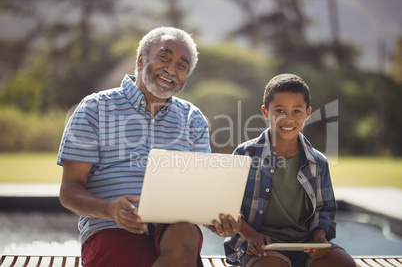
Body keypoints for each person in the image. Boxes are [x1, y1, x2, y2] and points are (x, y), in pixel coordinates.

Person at [57, 27, 212, 267]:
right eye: (164, 57)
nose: (172, 69)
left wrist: (217, 220)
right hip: (110, 228)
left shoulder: (193, 117)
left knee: (186, 234)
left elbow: (201, 194)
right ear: (141, 60)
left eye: (182, 65)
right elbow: (69, 190)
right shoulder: (95, 108)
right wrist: (109, 209)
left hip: (173, 229)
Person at [206, 74, 357, 267]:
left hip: (306, 243)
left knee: (345, 264)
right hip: (259, 246)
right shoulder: (245, 154)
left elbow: (324, 209)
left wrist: (320, 236)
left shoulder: (318, 161)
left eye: (296, 111)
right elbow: (227, 206)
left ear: (307, 113)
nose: (288, 119)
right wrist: (251, 234)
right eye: (279, 110)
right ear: (265, 112)